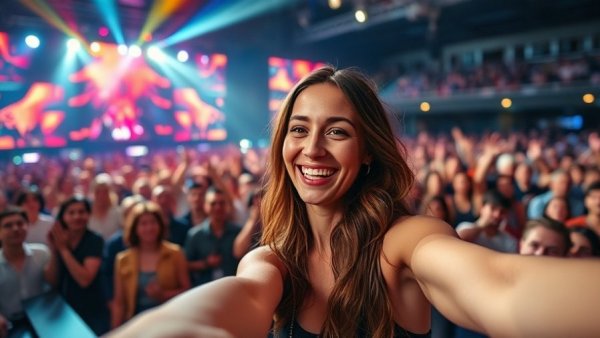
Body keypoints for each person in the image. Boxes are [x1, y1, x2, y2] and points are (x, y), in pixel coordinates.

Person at [107, 66, 600, 338]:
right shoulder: (270, 261)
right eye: (299, 129)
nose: (313, 148)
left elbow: (503, 288)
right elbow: (221, 311)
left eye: (337, 132)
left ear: (366, 154)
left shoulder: (403, 243)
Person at [111, 201, 190, 328]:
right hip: (136, 324)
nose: (149, 228)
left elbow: (187, 291)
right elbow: (119, 302)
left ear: (160, 225)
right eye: (143, 223)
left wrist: (163, 295)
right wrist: (115, 331)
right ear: (135, 228)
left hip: (170, 322)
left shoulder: (175, 253)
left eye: (153, 222)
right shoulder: (123, 260)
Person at [46, 195, 109, 335]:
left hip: (91, 309)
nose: (77, 217)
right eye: (71, 212)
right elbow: (52, 281)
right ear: (63, 217)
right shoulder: (59, 239)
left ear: (88, 215)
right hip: (63, 307)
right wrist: (54, 250)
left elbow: (84, 280)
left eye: (82, 212)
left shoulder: (95, 240)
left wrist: (63, 250)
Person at [0, 207, 51, 337]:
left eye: (20, 223)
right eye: (8, 226)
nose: (16, 229)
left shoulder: (42, 253)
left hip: (44, 320)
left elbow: (54, 284)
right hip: (9, 326)